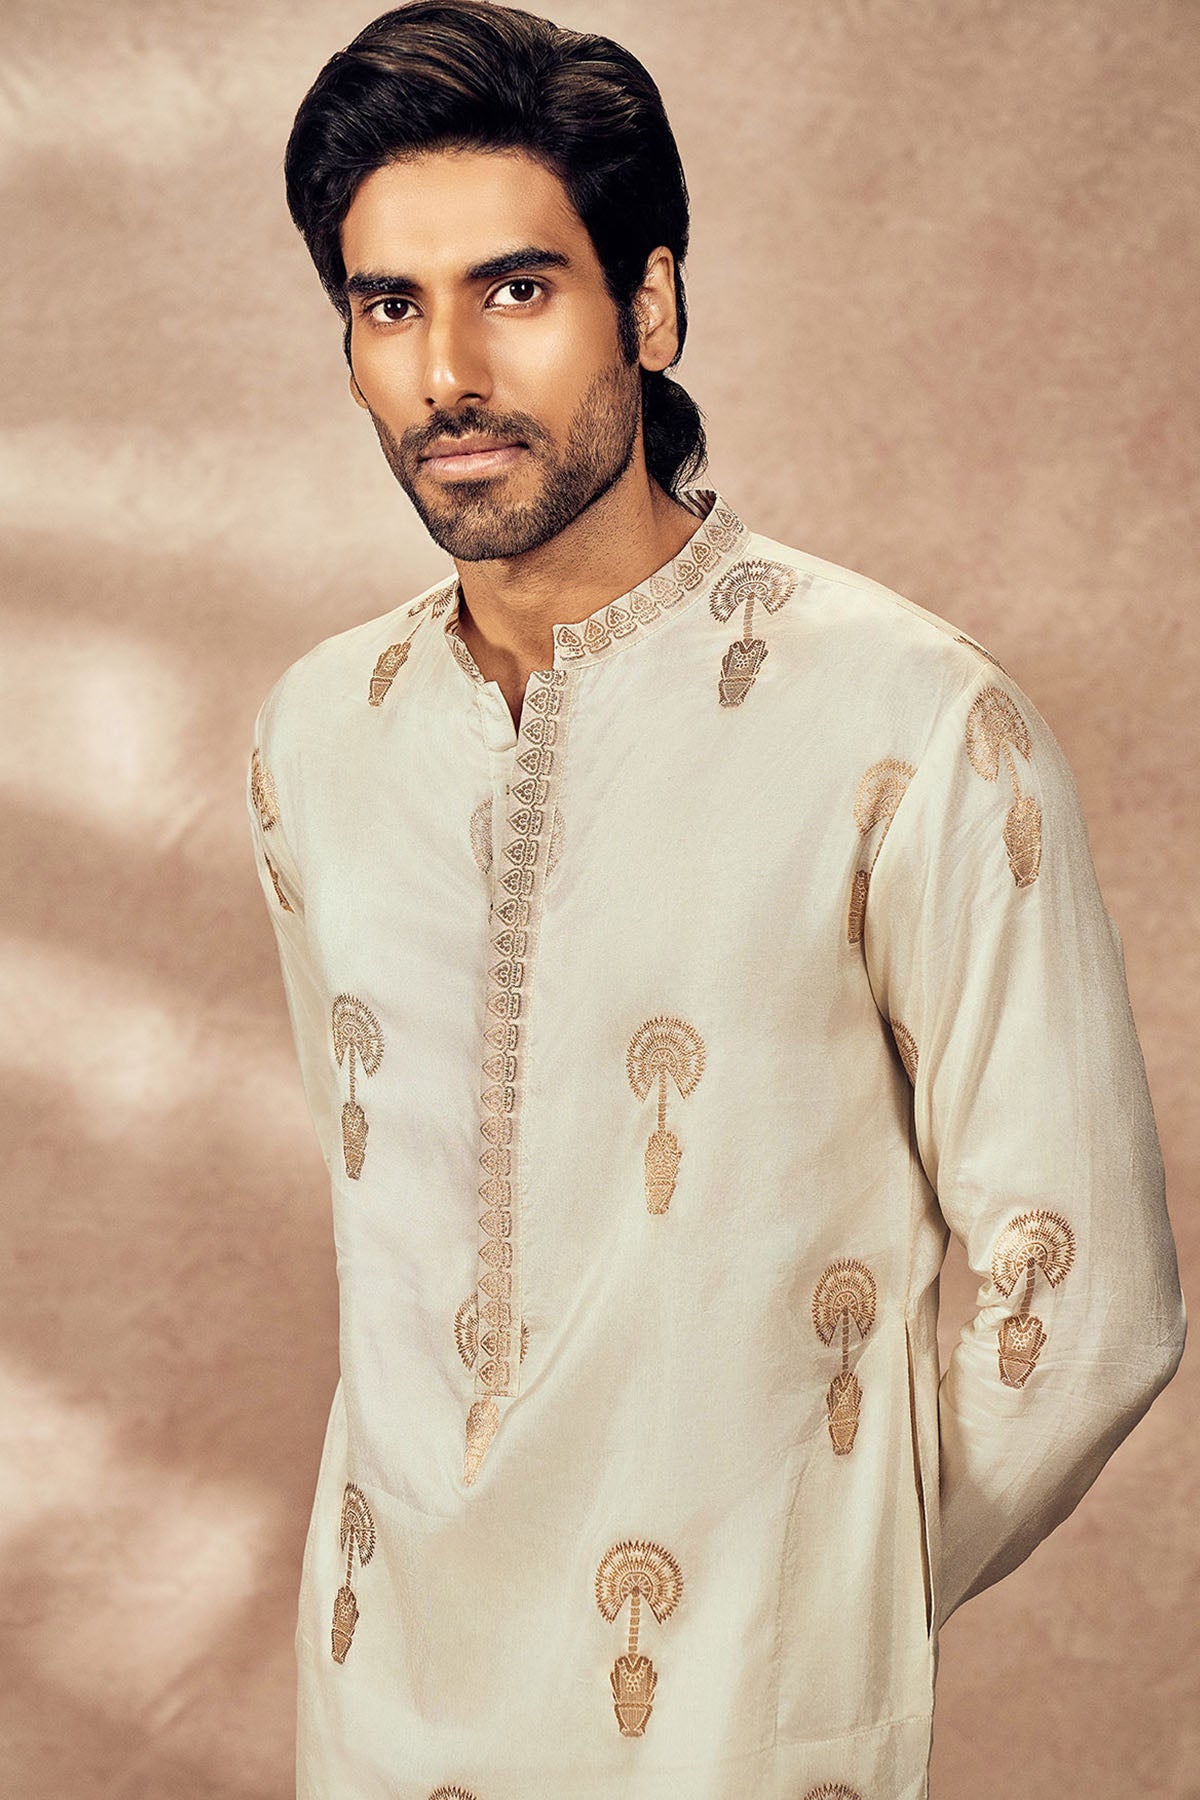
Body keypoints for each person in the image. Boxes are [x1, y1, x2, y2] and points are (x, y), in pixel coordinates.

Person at [245, 4, 1187, 1795]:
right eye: (390, 306)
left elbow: (1087, 1306)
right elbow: (392, 1220)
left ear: (652, 305)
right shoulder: (317, 739)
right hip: (376, 1713)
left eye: (518, 290)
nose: (449, 370)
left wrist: (809, 1603)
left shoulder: (912, 724)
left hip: (745, 1737)